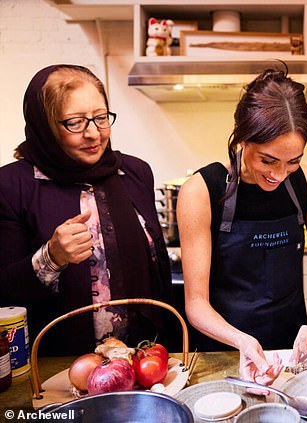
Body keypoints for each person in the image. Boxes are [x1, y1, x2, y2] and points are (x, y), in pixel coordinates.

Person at [177, 67, 307, 386]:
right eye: (268, 160)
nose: (281, 174)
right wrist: (241, 341)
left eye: (293, 160)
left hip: (294, 351)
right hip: (224, 350)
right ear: (241, 138)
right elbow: (195, 303)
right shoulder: (201, 191)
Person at [0, 65, 174, 356]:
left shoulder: (134, 173)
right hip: (60, 366)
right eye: (75, 123)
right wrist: (51, 257)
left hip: (141, 357)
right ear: (45, 126)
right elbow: (4, 292)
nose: (93, 134)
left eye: (101, 118)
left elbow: (158, 276)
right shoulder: (12, 185)